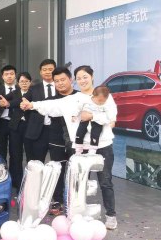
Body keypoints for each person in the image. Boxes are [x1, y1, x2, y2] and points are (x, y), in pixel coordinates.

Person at [21, 65, 119, 230]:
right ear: (75, 80)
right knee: (80, 185)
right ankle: (79, 216)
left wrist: (92, 116)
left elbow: (112, 119)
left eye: (85, 77)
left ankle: (111, 215)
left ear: (92, 76)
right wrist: (31, 105)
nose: (82, 80)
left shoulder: (105, 96)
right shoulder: (73, 99)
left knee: (105, 181)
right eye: (79, 78)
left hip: (103, 146)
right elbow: (51, 105)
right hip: (81, 149)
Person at [21, 67, 77, 215]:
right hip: (56, 138)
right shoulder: (51, 99)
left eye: (63, 80)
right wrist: (29, 105)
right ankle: (58, 200)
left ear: (70, 79)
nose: (60, 83)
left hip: (76, 141)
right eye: (56, 81)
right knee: (57, 169)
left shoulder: (80, 97)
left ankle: (75, 201)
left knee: (75, 171)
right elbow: (40, 106)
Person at [22, 59, 57, 161]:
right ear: (40, 72)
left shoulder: (61, 87)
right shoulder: (34, 88)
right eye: (44, 70)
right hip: (39, 131)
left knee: (58, 163)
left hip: (57, 130)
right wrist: (22, 104)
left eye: (50, 69)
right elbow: (24, 101)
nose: (47, 72)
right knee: (37, 162)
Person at [5, 72, 33, 186]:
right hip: (16, 127)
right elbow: (1, 98)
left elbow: (16, 102)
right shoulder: (14, 93)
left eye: (26, 81)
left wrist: (10, 104)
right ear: (18, 83)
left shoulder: (33, 92)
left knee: (30, 154)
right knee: (16, 155)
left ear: (30, 82)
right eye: (22, 81)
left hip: (30, 126)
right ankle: (17, 182)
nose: (24, 83)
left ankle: (30, 182)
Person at [0, 65, 18, 162]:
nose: (9, 76)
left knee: (15, 151)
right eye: (6, 74)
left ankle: (15, 171)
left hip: (16, 122)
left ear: (15, 75)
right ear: (2, 76)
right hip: (1, 123)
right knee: (1, 150)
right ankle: (3, 169)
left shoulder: (20, 89)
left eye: (11, 74)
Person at [74, 85, 111, 154]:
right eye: (100, 100)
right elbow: (78, 108)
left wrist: (94, 116)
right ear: (94, 96)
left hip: (97, 122)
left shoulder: (105, 105)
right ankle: (78, 149)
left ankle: (93, 150)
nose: (101, 103)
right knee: (79, 133)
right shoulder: (86, 100)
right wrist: (74, 115)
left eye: (103, 101)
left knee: (95, 135)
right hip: (84, 121)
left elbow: (108, 117)